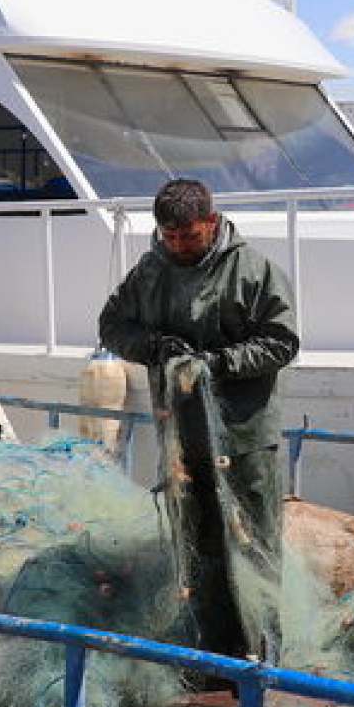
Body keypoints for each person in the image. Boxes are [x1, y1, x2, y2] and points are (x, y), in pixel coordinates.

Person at [98, 178, 299, 661]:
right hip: (183, 442)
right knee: (199, 546)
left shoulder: (252, 270)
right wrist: (154, 347)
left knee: (254, 545)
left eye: (189, 237)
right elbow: (111, 325)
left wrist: (219, 362)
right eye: (170, 238)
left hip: (245, 438)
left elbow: (282, 342)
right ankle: (213, 652)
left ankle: (267, 657)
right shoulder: (150, 271)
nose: (179, 247)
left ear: (211, 222)